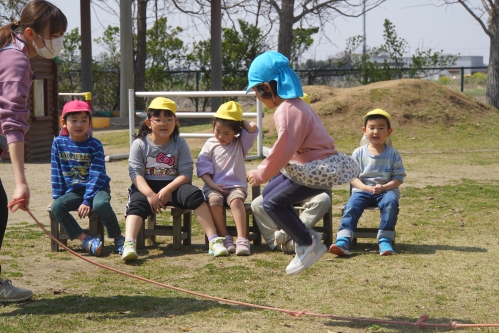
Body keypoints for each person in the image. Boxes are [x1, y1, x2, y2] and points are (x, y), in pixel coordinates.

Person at [245, 51, 359, 275]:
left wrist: (261, 173)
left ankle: (308, 244)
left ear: (267, 87)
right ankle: (303, 241)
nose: (256, 96)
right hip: (310, 165)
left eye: (256, 90)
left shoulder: (287, 111)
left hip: (314, 169)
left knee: (271, 204)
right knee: (268, 198)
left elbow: (284, 149)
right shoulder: (294, 105)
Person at [0, 0, 67, 302]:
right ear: (30, 32)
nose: (58, 42)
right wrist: (20, 180)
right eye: (54, 35)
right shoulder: (16, 59)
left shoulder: (8, 48)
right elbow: (12, 121)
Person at [122, 97, 230, 261]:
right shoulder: (139, 144)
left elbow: (186, 173)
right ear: (148, 122)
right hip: (146, 186)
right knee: (136, 203)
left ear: (176, 122)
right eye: (158, 119)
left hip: (174, 185)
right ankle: (128, 243)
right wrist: (150, 195)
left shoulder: (180, 143)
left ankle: (213, 240)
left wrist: (168, 189)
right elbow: (135, 173)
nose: (164, 123)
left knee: (195, 195)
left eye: (169, 119)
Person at [48, 100, 125, 257]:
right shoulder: (58, 143)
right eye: (74, 120)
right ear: (64, 122)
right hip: (74, 191)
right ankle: (86, 240)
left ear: (90, 123)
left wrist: (87, 200)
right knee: (56, 207)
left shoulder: (95, 144)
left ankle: (119, 238)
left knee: (101, 203)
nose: (79, 124)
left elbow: (97, 174)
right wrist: (57, 197)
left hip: (98, 188)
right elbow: (56, 172)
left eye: (84, 120)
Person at [329, 109, 406, 257]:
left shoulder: (393, 154)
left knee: (391, 203)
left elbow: (398, 179)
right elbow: (352, 177)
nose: (376, 132)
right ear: (364, 130)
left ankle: (385, 240)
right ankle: (343, 240)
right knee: (351, 206)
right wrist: (364, 187)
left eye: (381, 128)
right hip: (362, 191)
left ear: (389, 131)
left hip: (386, 191)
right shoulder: (358, 152)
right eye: (372, 127)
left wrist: (384, 187)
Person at [196, 101, 258, 256]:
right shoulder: (209, 144)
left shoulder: (240, 143)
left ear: (236, 131)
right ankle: (225, 237)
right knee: (214, 202)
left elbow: (253, 127)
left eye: (227, 133)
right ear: (213, 126)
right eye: (218, 131)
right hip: (213, 186)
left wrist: (237, 121)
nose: (221, 136)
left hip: (235, 186)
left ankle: (243, 239)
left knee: (236, 201)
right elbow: (203, 169)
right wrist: (213, 185)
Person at [252, 192, 331, 253]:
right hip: (279, 190)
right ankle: (278, 244)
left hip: (307, 190)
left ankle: (287, 233)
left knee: (324, 199)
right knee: (257, 204)